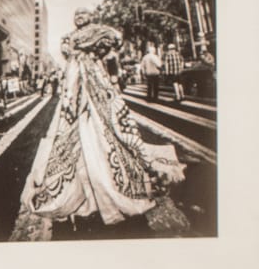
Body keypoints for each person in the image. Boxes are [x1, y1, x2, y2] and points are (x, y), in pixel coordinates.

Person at [15, 12, 188, 236]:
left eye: (82, 14)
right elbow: (76, 51)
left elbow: (113, 42)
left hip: (93, 85)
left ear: (89, 18)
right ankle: (85, 186)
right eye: (76, 14)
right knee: (80, 132)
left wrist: (94, 47)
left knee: (105, 129)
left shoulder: (95, 36)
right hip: (76, 86)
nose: (78, 16)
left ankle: (99, 185)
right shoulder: (74, 39)